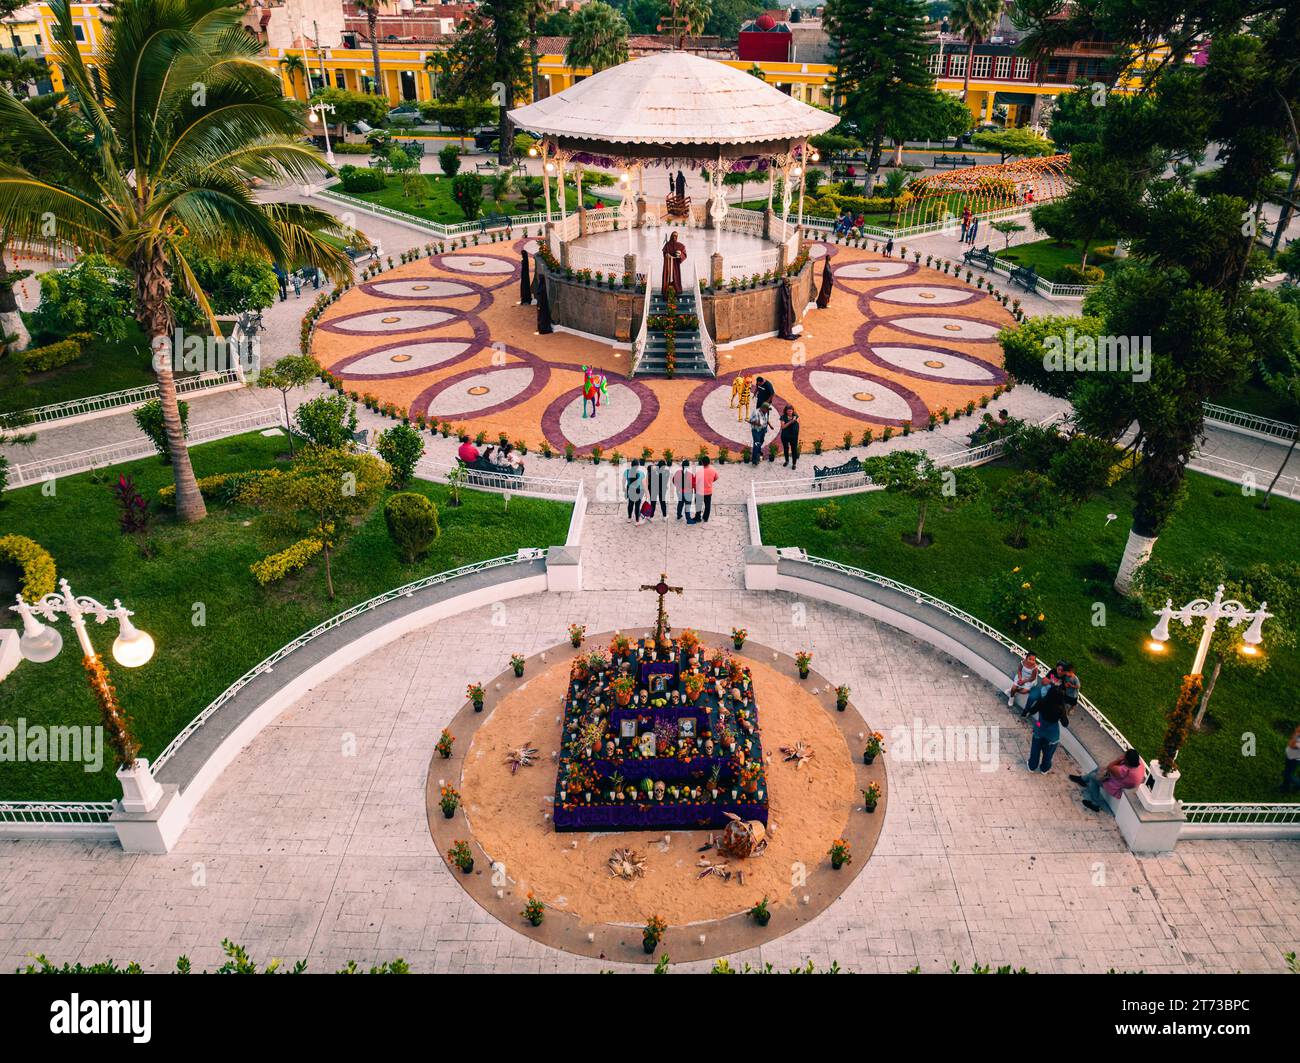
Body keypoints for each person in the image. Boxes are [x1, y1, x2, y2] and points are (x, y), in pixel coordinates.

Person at [1071, 749, 1145, 814]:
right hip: (1123, 782)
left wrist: (1119, 759)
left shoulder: (1122, 771)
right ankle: (1083, 779)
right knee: (1099, 769)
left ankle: (1095, 803)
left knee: (1093, 778)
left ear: (1127, 761)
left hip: (1113, 788)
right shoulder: (1140, 764)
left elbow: (1110, 766)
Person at [1027, 684, 1070, 773]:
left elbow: (1032, 710)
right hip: (1052, 733)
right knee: (1048, 753)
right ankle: (1044, 769)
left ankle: (1032, 766)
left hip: (1039, 726)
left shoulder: (1042, 701)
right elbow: (1065, 723)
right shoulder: (1060, 708)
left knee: (1035, 749)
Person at [661, 230, 687, 295]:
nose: (674, 237)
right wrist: (667, 255)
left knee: (676, 275)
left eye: (676, 236)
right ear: (671, 236)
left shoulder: (680, 245)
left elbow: (684, 254)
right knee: (668, 276)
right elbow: (664, 253)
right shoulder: (667, 245)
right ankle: (666, 290)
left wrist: (679, 255)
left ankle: (677, 290)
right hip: (668, 263)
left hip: (675, 263)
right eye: (673, 236)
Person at [694, 455, 718, 523]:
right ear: (709, 462)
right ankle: (705, 518)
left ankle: (698, 517)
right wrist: (710, 481)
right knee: (707, 505)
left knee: (698, 505)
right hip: (708, 491)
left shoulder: (699, 472)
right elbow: (716, 477)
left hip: (700, 492)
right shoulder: (713, 471)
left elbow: (696, 482)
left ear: (702, 462)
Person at [625, 458, 646, 524]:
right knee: (637, 506)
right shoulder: (641, 473)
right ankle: (637, 520)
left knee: (630, 504)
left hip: (630, 490)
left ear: (631, 465)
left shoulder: (627, 472)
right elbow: (643, 484)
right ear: (638, 466)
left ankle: (629, 518)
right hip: (638, 491)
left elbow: (625, 481)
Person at [1284, 725, 1300, 792]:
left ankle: (1298, 784)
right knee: (1288, 771)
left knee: (1287, 774)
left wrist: (1296, 734)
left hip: (1294, 758)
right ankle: (1285, 787)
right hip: (1290, 756)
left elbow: (1291, 744)